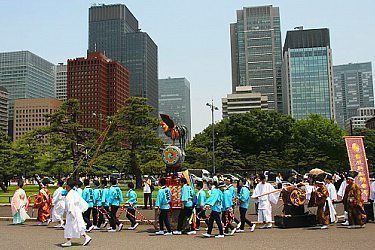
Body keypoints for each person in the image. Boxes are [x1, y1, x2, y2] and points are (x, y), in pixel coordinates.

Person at [61, 178, 92, 247]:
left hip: (72, 212)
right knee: (73, 226)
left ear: (68, 186)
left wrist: (71, 212)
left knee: (76, 226)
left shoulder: (71, 194)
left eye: (66, 185)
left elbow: (70, 204)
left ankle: (86, 237)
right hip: (75, 211)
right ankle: (68, 240)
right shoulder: (74, 193)